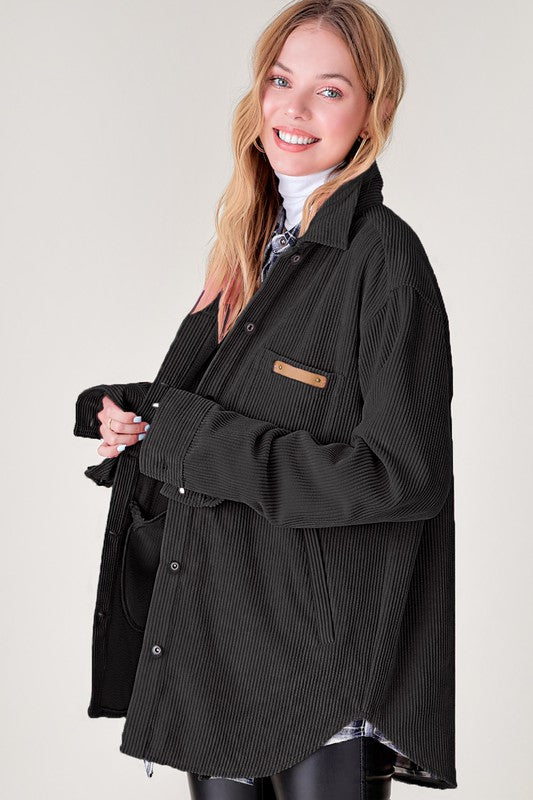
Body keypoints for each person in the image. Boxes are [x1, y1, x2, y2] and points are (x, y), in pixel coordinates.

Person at [78, 1, 455, 797]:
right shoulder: (248, 246)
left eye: (329, 90)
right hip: (216, 652)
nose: (294, 108)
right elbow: (208, 414)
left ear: (375, 110)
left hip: (321, 675)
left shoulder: (384, 261)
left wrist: (190, 438)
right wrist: (126, 416)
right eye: (281, 81)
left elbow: (400, 476)